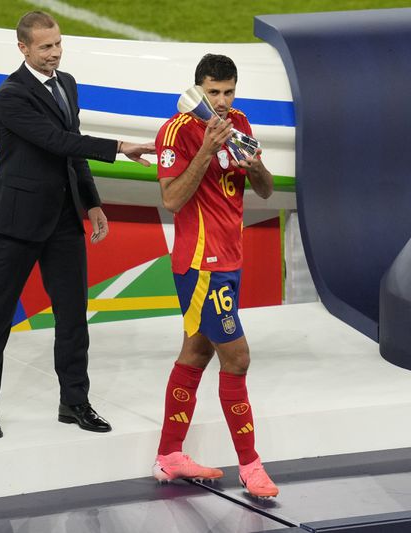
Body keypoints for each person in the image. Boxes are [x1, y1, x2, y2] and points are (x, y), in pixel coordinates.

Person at [0, 11, 154, 439]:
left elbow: (73, 152)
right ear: (24, 49)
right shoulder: (10, 95)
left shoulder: (66, 83)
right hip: (17, 222)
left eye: (57, 44)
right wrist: (122, 146)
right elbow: (57, 141)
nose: (54, 53)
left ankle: (74, 401)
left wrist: (91, 203)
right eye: (45, 47)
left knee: (72, 315)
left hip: (64, 220)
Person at [153, 54, 278, 498]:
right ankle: (250, 465)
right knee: (237, 357)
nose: (222, 102)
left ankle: (169, 456)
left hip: (231, 261)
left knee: (195, 354)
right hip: (200, 265)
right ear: (198, 89)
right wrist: (208, 148)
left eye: (228, 92)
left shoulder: (239, 121)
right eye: (213, 92)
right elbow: (171, 199)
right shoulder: (175, 131)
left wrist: (253, 163)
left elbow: (265, 189)